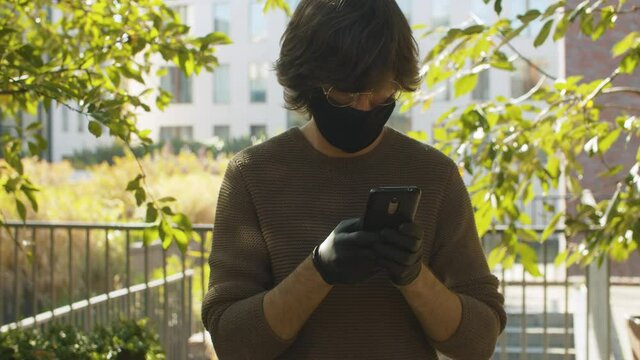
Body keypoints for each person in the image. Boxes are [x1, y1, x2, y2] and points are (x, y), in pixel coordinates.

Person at [201, 0, 506, 359]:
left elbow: (479, 340)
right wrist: (318, 270)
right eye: (344, 93)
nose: (363, 108)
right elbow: (231, 341)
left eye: (379, 92)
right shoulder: (253, 175)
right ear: (308, 80)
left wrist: (413, 276)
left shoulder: (435, 176)